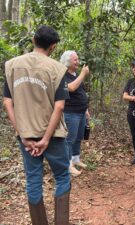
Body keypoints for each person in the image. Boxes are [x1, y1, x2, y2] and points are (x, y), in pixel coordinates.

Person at [3, 25, 71, 225]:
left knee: (33, 179)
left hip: (26, 136)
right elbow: (59, 107)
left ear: (33, 40)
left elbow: (7, 102)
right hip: (54, 136)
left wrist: (22, 133)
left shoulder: (12, 65)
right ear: (53, 47)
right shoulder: (57, 69)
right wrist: (46, 139)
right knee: (62, 176)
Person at [60, 50, 90, 176]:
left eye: (78, 59)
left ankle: (76, 159)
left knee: (78, 137)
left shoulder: (75, 74)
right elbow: (71, 88)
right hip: (71, 112)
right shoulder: (62, 75)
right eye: (75, 60)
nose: (78, 62)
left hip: (81, 111)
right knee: (70, 139)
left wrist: (86, 110)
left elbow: (81, 91)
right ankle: (68, 165)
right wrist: (83, 74)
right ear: (67, 61)